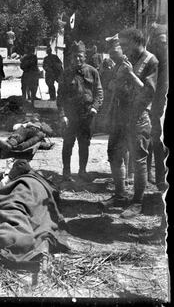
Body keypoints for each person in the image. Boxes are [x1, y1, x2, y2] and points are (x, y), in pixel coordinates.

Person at [103, 28, 158, 218]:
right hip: (120, 115)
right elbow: (111, 86)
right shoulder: (128, 59)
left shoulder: (151, 61)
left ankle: (137, 203)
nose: (123, 49)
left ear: (136, 41)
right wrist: (117, 80)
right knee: (114, 154)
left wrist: (131, 75)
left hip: (138, 117)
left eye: (126, 45)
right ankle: (120, 195)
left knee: (138, 160)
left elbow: (149, 93)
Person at [57, 41, 103, 182]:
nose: (78, 59)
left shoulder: (92, 72)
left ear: (85, 56)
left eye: (80, 56)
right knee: (68, 144)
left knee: (84, 144)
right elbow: (60, 97)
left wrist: (95, 107)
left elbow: (99, 93)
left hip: (87, 114)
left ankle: (82, 171)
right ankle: (66, 172)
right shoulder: (66, 74)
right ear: (71, 57)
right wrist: (63, 115)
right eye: (75, 56)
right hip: (71, 116)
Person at [101, 34, 132, 210]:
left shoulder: (127, 65)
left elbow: (129, 90)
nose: (111, 54)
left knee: (115, 153)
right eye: (110, 51)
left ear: (122, 49)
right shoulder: (119, 65)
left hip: (125, 117)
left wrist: (115, 84)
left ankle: (121, 196)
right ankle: (121, 192)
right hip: (118, 116)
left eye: (114, 50)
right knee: (118, 153)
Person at [147, 23, 169, 193]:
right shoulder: (153, 61)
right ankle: (160, 181)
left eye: (165, 42)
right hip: (156, 108)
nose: (163, 46)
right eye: (160, 42)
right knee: (156, 143)